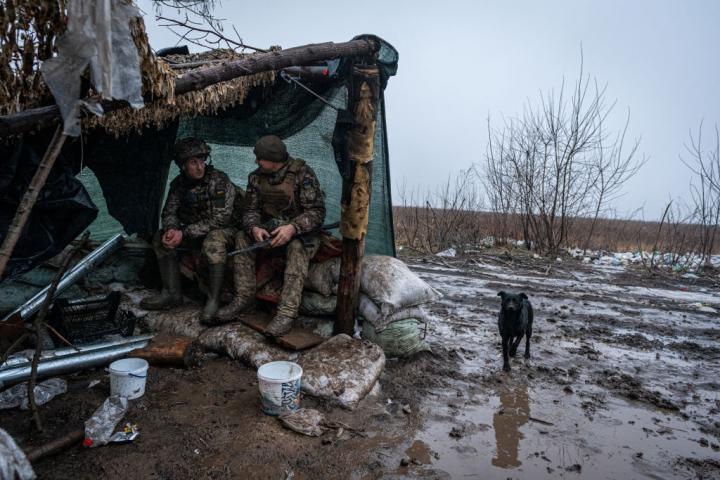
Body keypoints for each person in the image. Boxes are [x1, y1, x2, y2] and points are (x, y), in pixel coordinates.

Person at [212, 135, 326, 337]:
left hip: (301, 233)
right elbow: (250, 210)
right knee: (242, 238)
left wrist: (293, 227)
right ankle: (244, 298)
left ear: (273, 160)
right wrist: (254, 227)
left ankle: (286, 313)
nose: (256, 161)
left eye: (259, 158)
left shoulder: (303, 174)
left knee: (297, 249)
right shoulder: (255, 177)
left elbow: (317, 212)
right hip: (270, 230)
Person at [141, 138, 241, 323]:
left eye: (202, 161)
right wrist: (171, 230)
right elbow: (169, 212)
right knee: (159, 238)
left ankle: (213, 299)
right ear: (183, 166)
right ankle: (171, 293)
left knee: (214, 241)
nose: (199, 167)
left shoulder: (218, 181)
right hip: (194, 231)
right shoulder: (178, 184)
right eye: (193, 162)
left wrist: (184, 233)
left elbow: (221, 218)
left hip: (224, 230)